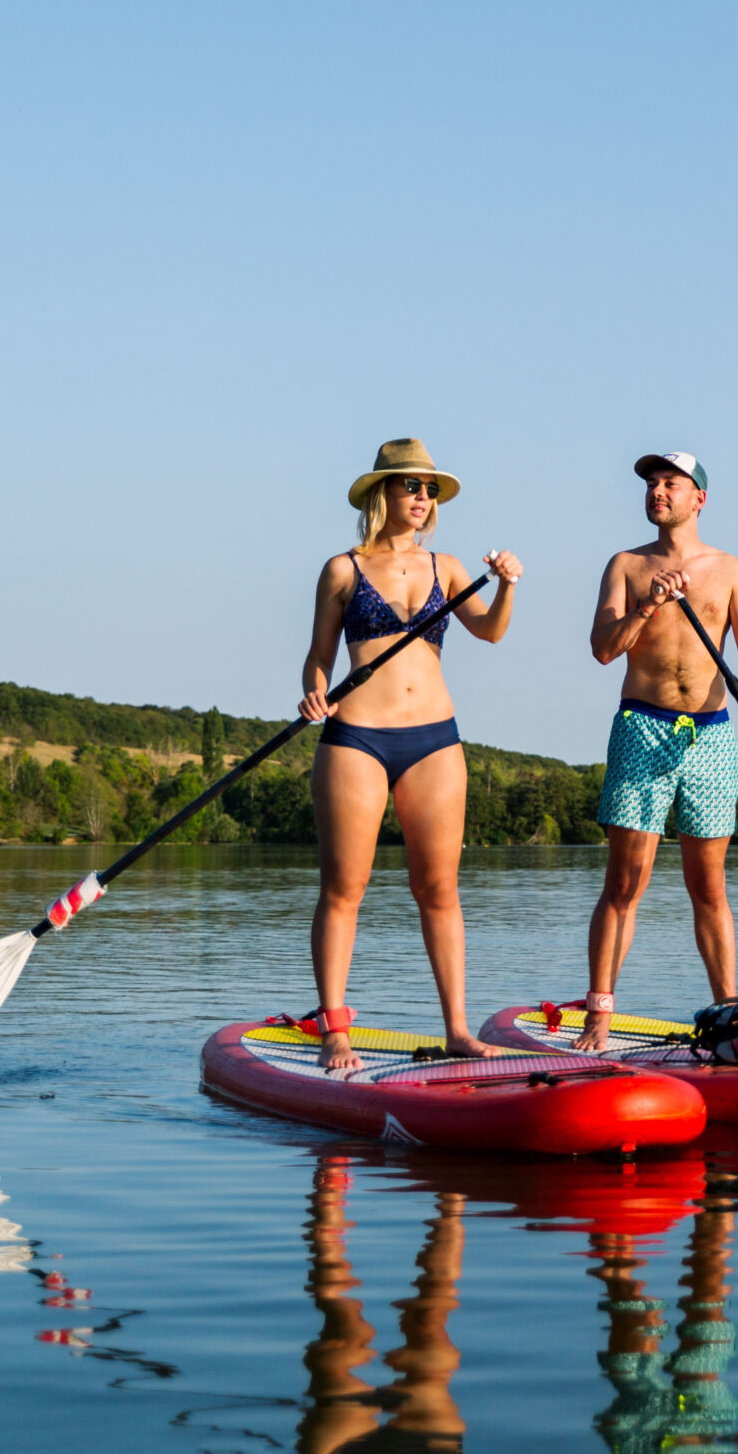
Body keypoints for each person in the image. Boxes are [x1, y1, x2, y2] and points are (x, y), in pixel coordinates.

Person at [297, 438, 522, 1070]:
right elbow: (318, 657)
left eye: (429, 489)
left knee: (439, 889)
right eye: (409, 486)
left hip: (434, 741)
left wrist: (507, 586)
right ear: (382, 494)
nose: (421, 498)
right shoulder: (342, 569)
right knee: (345, 887)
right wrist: (314, 691)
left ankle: (457, 1029)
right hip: (356, 740)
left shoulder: (448, 568)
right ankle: (335, 1029)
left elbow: (491, 630)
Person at [575, 451, 738, 1051]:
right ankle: (598, 1015)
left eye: (671, 483)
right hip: (642, 725)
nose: (658, 491)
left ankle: (727, 1019)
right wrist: (647, 606)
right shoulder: (627, 565)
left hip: (711, 734)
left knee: (708, 887)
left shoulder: (732, 569)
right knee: (625, 882)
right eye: (651, 483)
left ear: (699, 499)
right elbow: (602, 649)